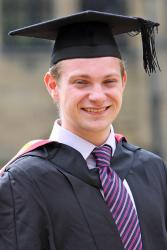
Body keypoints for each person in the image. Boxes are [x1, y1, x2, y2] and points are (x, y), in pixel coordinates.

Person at [0, 10, 166, 250]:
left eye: (109, 81)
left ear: (123, 82)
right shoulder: (22, 182)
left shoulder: (152, 169)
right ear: (53, 86)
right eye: (81, 82)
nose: (97, 96)